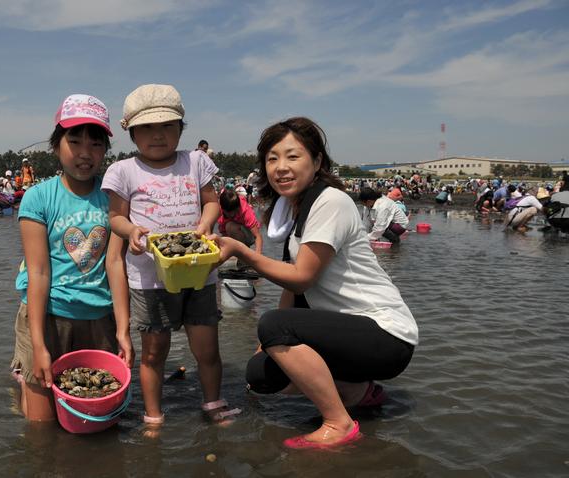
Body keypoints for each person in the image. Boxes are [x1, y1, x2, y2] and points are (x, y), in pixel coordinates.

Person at [211, 117, 417, 449]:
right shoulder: (298, 211)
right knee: (261, 375)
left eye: (293, 156)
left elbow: (302, 276)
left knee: (273, 326)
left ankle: (338, 423)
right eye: (272, 158)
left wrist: (241, 252)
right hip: (349, 327)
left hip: (386, 333)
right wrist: (267, 344)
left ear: (317, 161)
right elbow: (295, 288)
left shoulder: (330, 201)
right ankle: (359, 392)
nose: (281, 167)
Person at [102, 84, 238, 432]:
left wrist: (206, 225)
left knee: (206, 348)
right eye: (146, 128)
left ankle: (212, 401)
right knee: (153, 352)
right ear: (131, 132)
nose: (158, 135)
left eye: (167, 126)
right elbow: (116, 217)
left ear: (181, 128)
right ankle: (153, 413)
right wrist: (131, 232)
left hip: (198, 271)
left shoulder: (195, 161)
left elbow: (211, 201)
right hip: (149, 277)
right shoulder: (123, 171)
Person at [10, 93, 134, 421]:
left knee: (97, 413)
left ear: (105, 151)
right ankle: (25, 379)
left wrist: (123, 329)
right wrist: (39, 344)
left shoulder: (113, 200)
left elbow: (115, 263)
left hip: (99, 319)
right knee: (41, 425)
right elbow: (37, 272)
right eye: (74, 141)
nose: (84, 153)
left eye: (95, 144)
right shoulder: (38, 198)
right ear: (56, 146)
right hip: (47, 314)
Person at [218, 188, 263, 256]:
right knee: (227, 230)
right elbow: (224, 235)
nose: (232, 214)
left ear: (238, 207)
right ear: (223, 210)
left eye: (235, 211)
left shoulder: (246, 211)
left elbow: (257, 236)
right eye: (229, 213)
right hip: (235, 235)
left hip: (249, 236)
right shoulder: (219, 212)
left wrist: (258, 256)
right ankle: (237, 252)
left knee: (230, 226)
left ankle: (243, 252)